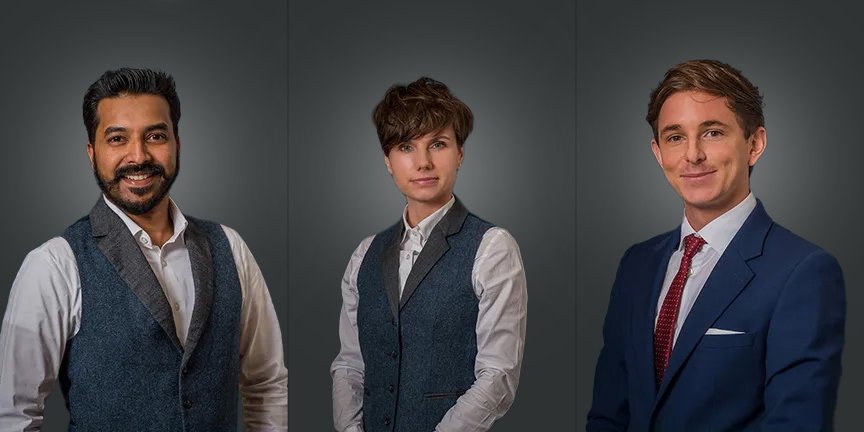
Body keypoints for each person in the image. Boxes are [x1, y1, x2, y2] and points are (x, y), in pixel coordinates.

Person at [0, 68, 288, 431]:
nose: (138, 156)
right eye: (117, 139)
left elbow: (266, 383)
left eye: (155, 136)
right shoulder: (54, 265)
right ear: (92, 153)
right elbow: (14, 414)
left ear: (177, 144)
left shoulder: (230, 247)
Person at [587, 59, 845, 431]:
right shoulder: (637, 264)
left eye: (712, 132)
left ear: (754, 144)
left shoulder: (803, 272)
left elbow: (796, 424)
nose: (693, 154)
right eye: (675, 137)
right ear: (658, 153)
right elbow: (609, 413)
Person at [330, 77, 527, 431]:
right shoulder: (364, 255)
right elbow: (350, 365)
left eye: (437, 144)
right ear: (388, 161)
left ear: (460, 154)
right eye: (406, 146)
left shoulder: (492, 248)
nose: (423, 162)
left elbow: (498, 375)